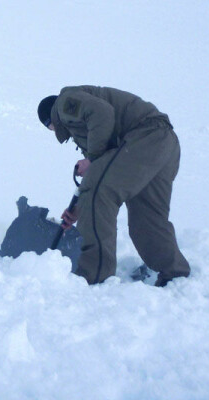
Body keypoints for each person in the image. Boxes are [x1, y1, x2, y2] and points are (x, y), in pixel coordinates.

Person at [38, 86, 191, 287]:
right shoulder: (85, 127)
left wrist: (91, 161)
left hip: (144, 136)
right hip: (161, 143)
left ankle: (93, 276)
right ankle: (175, 275)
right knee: (147, 220)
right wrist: (78, 209)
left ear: (50, 122)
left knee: (98, 194)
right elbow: (104, 170)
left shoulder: (65, 103)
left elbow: (101, 113)